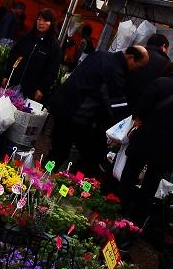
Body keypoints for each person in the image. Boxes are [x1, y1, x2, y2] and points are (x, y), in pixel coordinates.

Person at [118, 62, 173, 224]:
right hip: (168, 147)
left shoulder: (160, 83)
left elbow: (140, 109)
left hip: (145, 139)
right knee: (150, 186)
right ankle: (137, 223)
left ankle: (118, 212)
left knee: (129, 176)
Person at [47, 46, 149, 178]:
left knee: (58, 150)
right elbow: (117, 104)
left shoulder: (100, 55)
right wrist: (130, 123)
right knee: (90, 157)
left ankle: (42, 173)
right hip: (77, 115)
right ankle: (72, 183)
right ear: (131, 58)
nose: (137, 70)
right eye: (139, 66)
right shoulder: (114, 70)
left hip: (61, 106)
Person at [5, 8, 61, 102]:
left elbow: (52, 71)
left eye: (45, 20)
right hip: (13, 83)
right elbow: (13, 55)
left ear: (51, 23)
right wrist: (7, 74)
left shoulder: (54, 46)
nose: (41, 23)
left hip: (31, 91)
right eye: (39, 19)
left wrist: (42, 89)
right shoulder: (27, 37)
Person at [125, 33, 170, 110]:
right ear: (163, 46)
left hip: (122, 96)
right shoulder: (165, 63)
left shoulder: (135, 53)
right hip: (141, 104)